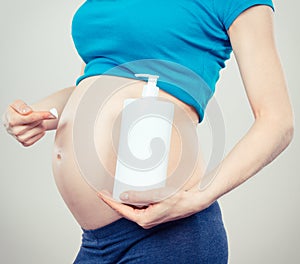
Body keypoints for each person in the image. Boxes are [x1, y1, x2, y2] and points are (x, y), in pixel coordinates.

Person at [2, 0, 294, 263]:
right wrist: (36, 114)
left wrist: (200, 196)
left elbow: (277, 121)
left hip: (170, 236)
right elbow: (95, 85)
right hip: (96, 243)